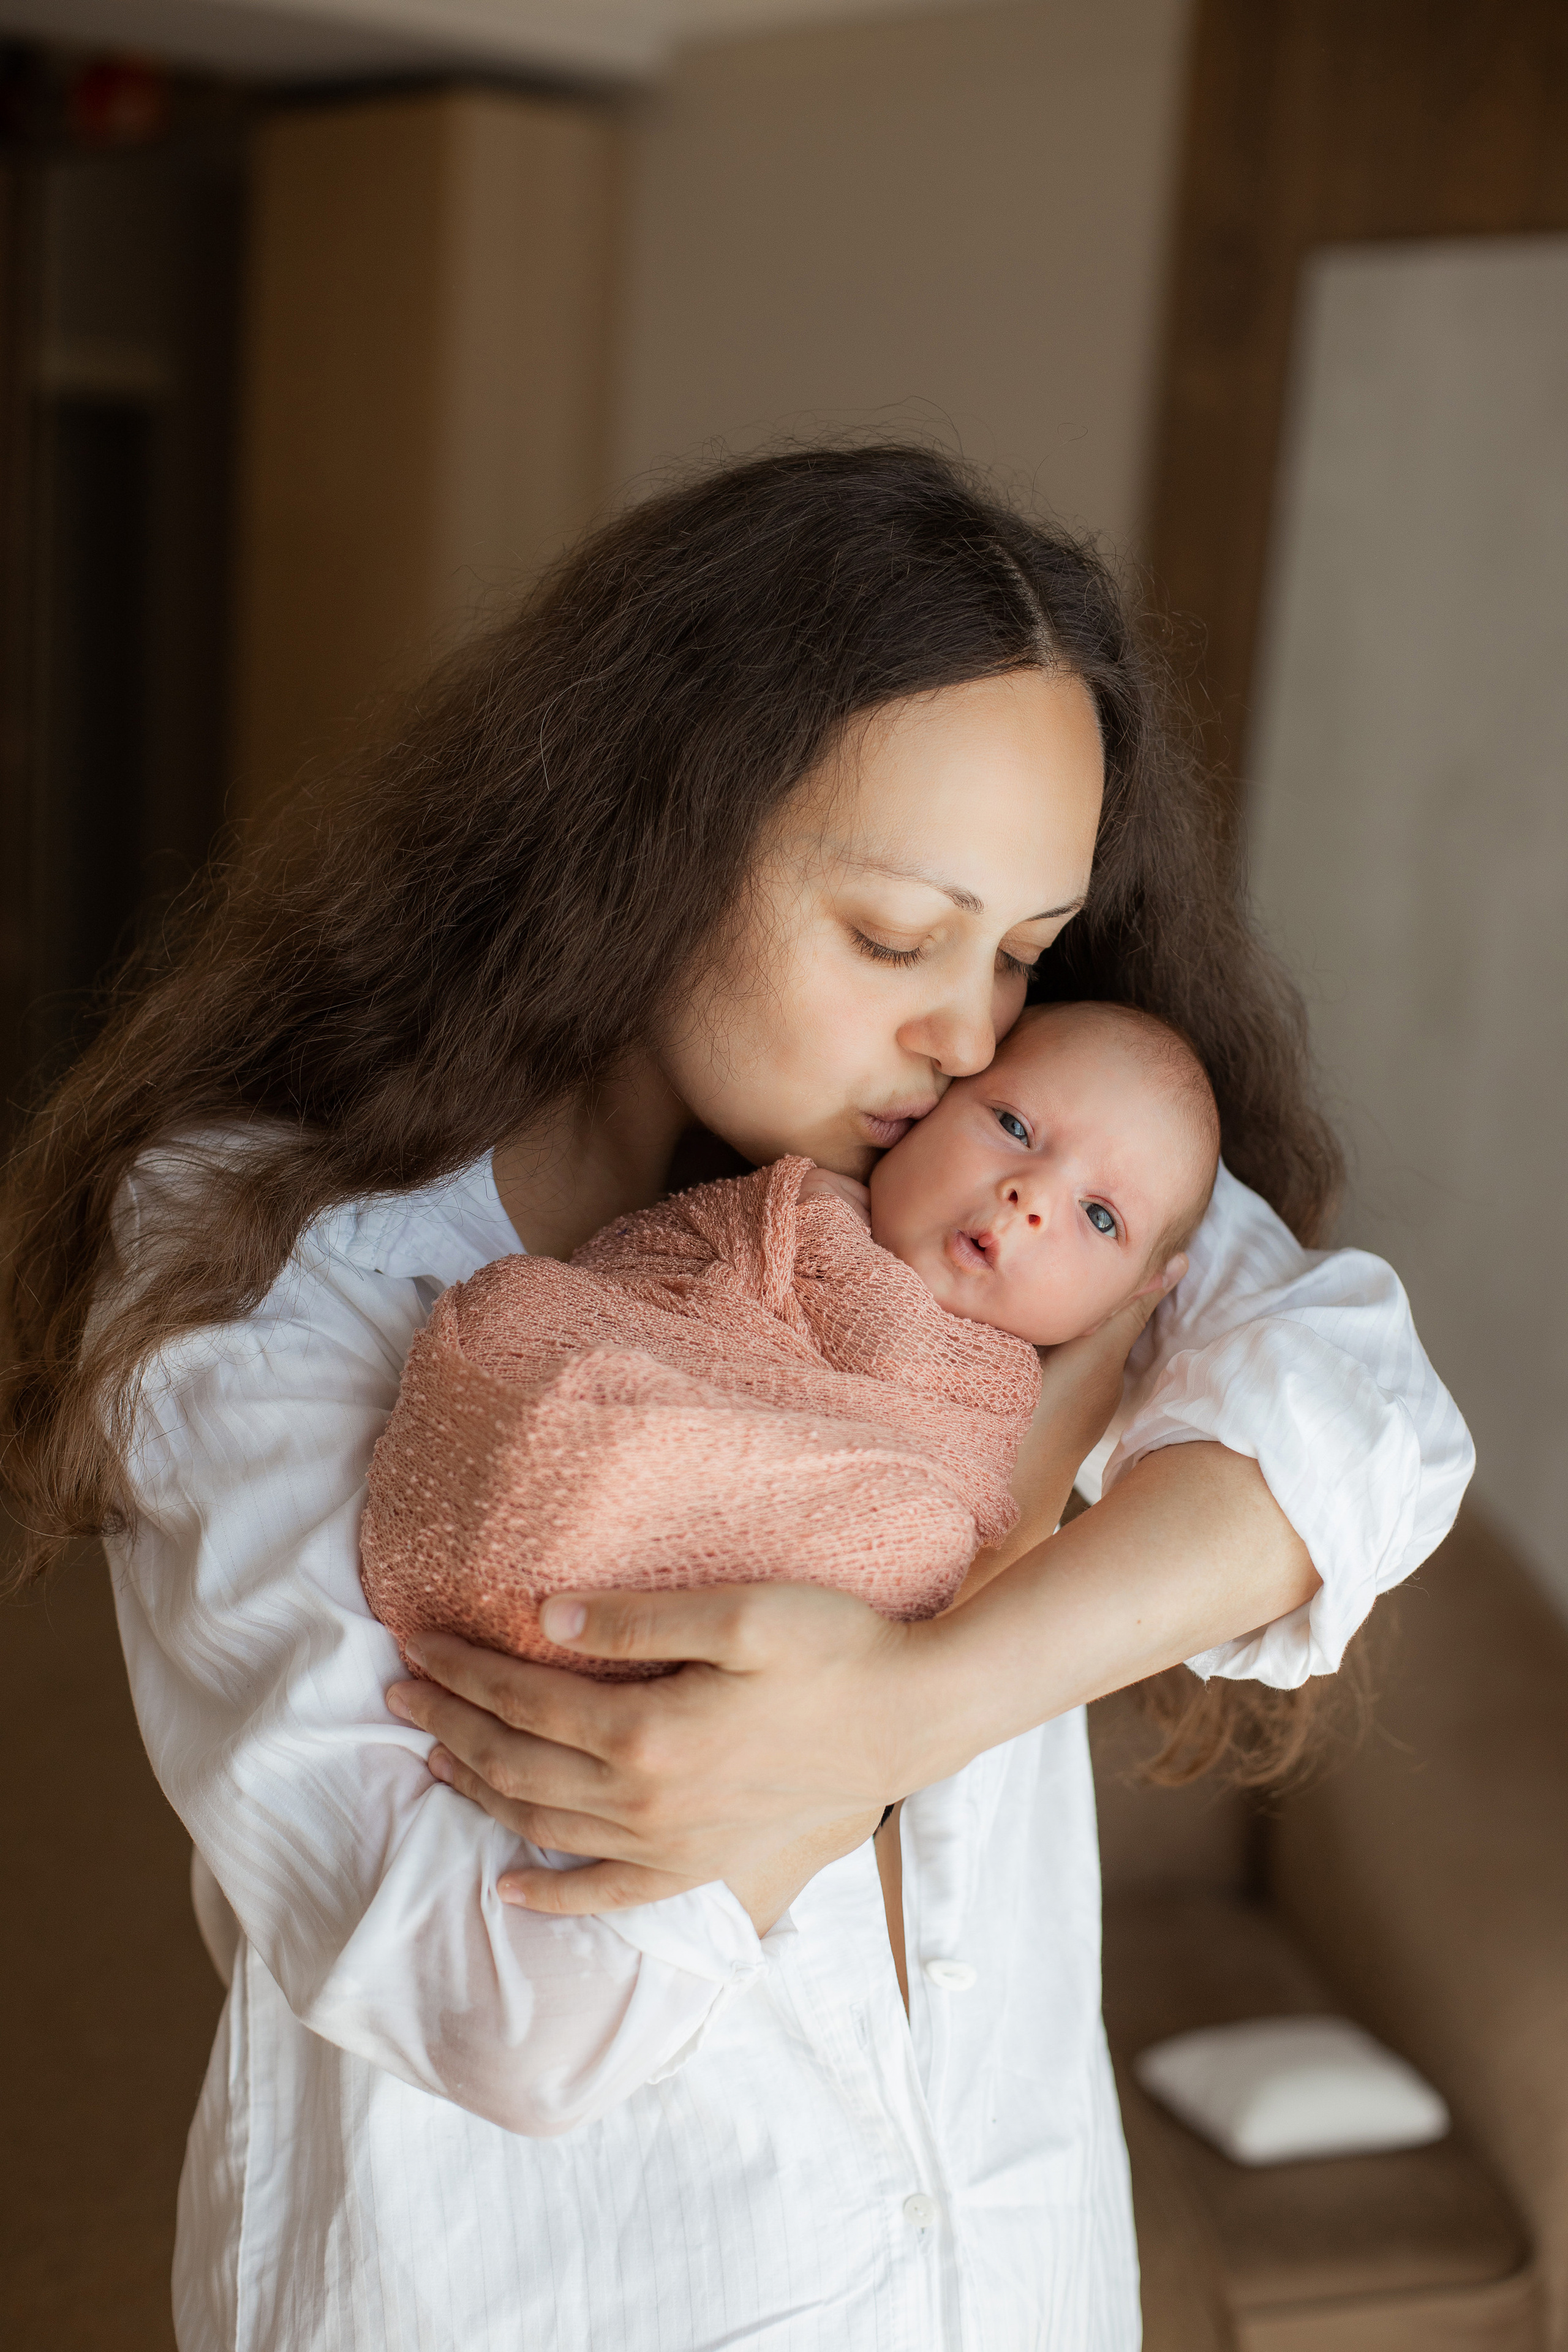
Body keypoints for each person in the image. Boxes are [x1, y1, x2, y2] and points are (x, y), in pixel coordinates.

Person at [0, 446, 1471, 2352]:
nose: (968, 1033)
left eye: (1021, 953)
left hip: (1013, 2282)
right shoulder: (273, 1255)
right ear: (653, 835)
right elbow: (501, 2006)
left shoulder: (1005, 1172)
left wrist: (902, 1706)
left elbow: (1366, 1421)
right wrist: (1014, 1517)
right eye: (893, 936)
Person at [359, 999, 1223, 1684]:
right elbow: (626, 1276)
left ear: (1142, 1290)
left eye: (1100, 1216)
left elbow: (947, 1540)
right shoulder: (794, 1204)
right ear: (924, 1107)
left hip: (761, 1584)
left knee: (920, 1533)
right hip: (570, 1433)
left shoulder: (1008, 1394)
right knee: (513, 1309)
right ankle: (568, 1499)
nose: (1032, 1196)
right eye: (1013, 1127)